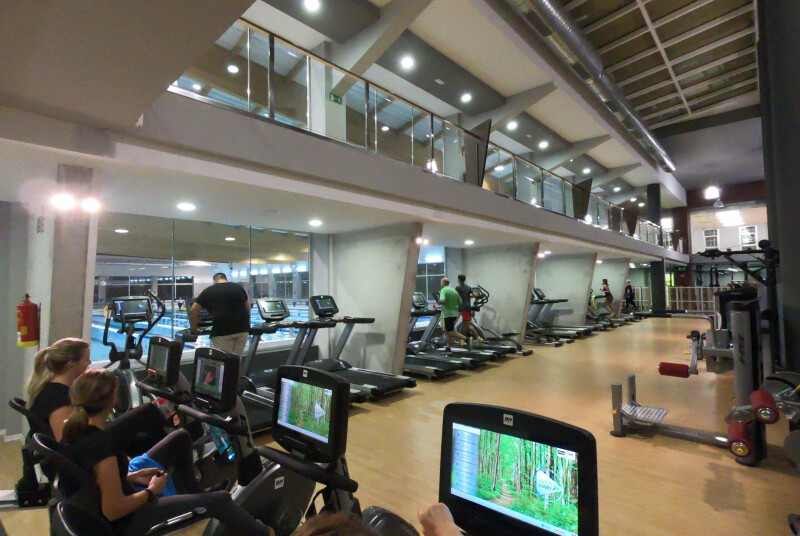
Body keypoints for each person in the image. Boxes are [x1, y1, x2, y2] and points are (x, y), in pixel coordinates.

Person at [61, 369, 273, 536]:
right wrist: (151, 491)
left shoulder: (74, 429)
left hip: (118, 493)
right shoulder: (101, 446)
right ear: (112, 399)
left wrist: (132, 476)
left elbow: (93, 480)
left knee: (180, 438)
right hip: (126, 520)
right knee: (221, 500)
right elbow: (113, 510)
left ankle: (193, 495)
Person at [27, 338, 92, 441]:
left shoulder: (49, 384)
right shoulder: (59, 398)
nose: (90, 362)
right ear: (71, 363)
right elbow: (65, 441)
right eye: (86, 359)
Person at [190, 273, 250, 357]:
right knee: (236, 360)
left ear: (214, 281)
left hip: (222, 331)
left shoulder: (208, 291)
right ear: (226, 279)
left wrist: (194, 328)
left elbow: (193, 311)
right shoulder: (239, 288)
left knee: (221, 361)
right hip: (243, 330)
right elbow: (247, 308)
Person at [436, 278, 466, 351]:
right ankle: (448, 346)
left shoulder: (443, 290)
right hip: (455, 313)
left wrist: (438, 301)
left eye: (441, 282)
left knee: (449, 332)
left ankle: (466, 339)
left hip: (448, 314)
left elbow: (443, 301)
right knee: (448, 330)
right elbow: (460, 302)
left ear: (443, 283)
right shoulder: (454, 291)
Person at [454, 275, 482, 346]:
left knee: (468, 325)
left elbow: (455, 296)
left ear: (459, 280)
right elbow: (475, 295)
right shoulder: (468, 287)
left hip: (463, 308)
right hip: (468, 307)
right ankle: (462, 340)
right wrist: (468, 296)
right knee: (465, 326)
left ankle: (478, 338)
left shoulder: (458, 287)